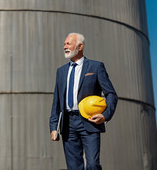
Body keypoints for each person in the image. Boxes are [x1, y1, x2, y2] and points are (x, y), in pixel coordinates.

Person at [49, 33, 118, 170]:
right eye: (64, 44)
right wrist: (53, 126)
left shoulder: (96, 67)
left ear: (80, 46)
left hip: (89, 120)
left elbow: (111, 94)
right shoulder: (61, 71)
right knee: (74, 167)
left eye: (68, 44)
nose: (64, 47)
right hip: (68, 124)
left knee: (92, 164)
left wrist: (105, 115)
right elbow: (56, 101)